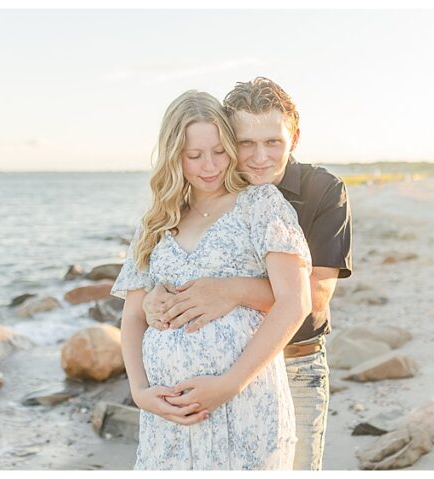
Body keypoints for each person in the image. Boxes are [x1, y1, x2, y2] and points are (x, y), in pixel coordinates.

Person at [142, 77, 352, 470]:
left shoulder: (324, 190)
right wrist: (158, 296)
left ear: (295, 137)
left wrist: (233, 291)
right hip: (211, 380)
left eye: (273, 142)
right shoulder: (208, 195)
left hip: (295, 361)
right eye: (245, 144)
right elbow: (187, 262)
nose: (259, 157)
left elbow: (315, 297)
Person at [111, 90, 312, 469]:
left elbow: (295, 301)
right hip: (169, 421)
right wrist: (139, 392)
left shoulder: (260, 204)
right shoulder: (156, 222)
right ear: (174, 156)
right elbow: (133, 316)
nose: (209, 166)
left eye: (219, 151)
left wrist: (230, 383)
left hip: (246, 404)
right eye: (194, 155)